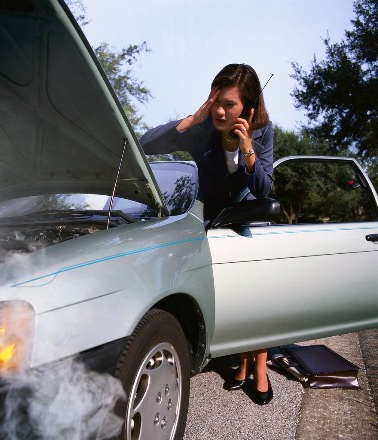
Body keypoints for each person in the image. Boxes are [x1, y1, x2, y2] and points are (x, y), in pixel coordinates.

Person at [140, 63, 274, 405]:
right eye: (215, 99)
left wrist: (247, 150)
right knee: (229, 293)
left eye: (229, 104)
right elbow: (145, 144)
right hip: (211, 219)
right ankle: (240, 360)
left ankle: (259, 367)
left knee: (256, 293)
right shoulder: (203, 131)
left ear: (249, 109)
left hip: (248, 217)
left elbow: (263, 188)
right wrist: (192, 118)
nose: (219, 109)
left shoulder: (262, 132)